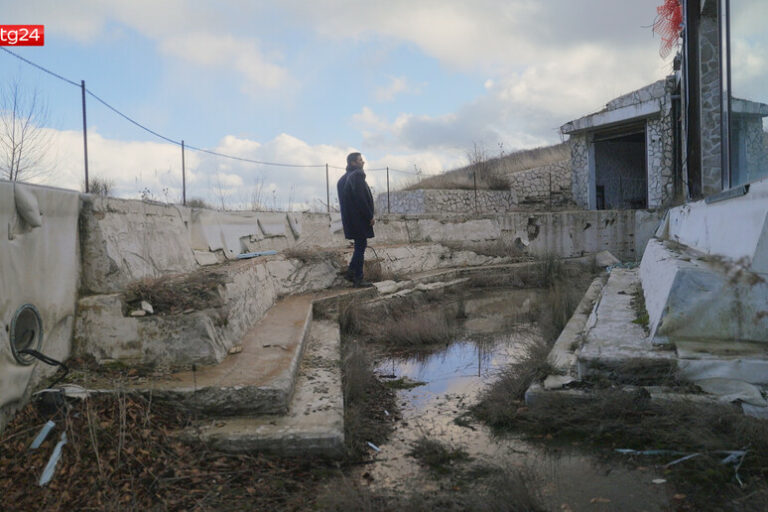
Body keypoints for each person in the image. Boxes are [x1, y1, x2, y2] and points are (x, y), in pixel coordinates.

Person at [337, 152, 375, 287]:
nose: (363, 162)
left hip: (350, 219)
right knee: (360, 247)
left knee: (359, 246)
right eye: (360, 160)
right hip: (359, 218)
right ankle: (356, 276)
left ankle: (353, 273)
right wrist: (369, 215)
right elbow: (361, 198)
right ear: (353, 163)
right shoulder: (357, 175)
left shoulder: (342, 179)